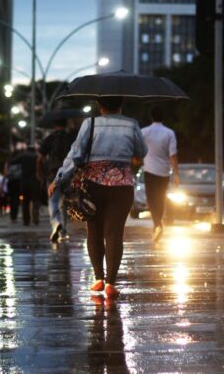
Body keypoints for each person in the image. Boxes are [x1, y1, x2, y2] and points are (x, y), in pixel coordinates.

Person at [48, 96, 147, 299]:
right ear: (121, 105)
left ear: (99, 106)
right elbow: (142, 151)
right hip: (122, 186)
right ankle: (111, 282)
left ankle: (98, 278)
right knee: (114, 233)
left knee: (94, 230)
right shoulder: (131, 124)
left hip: (93, 185)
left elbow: (75, 154)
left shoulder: (90, 123)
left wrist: (58, 179)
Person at [141, 106, 179, 242]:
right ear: (163, 117)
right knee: (161, 198)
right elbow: (173, 155)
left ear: (151, 116)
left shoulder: (144, 132)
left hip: (149, 170)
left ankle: (157, 224)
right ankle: (158, 223)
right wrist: (176, 174)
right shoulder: (169, 133)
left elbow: (138, 148)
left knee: (151, 199)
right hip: (163, 171)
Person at [37, 118, 76, 243]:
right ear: (66, 125)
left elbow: (40, 158)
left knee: (53, 201)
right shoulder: (71, 137)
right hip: (69, 174)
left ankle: (56, 224)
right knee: (65, 203)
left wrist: (39, 172)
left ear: (54, 125)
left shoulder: (50, 138)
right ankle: (64, 230)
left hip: (53, 174)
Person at [7, 146, 40, 226]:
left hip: (24, 181)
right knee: (35, 200)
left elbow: (12, 162)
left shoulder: (23, 156)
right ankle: (35, 217)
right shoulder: (37, 157)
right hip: (35, 181)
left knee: (25, 201)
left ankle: (26, 220)